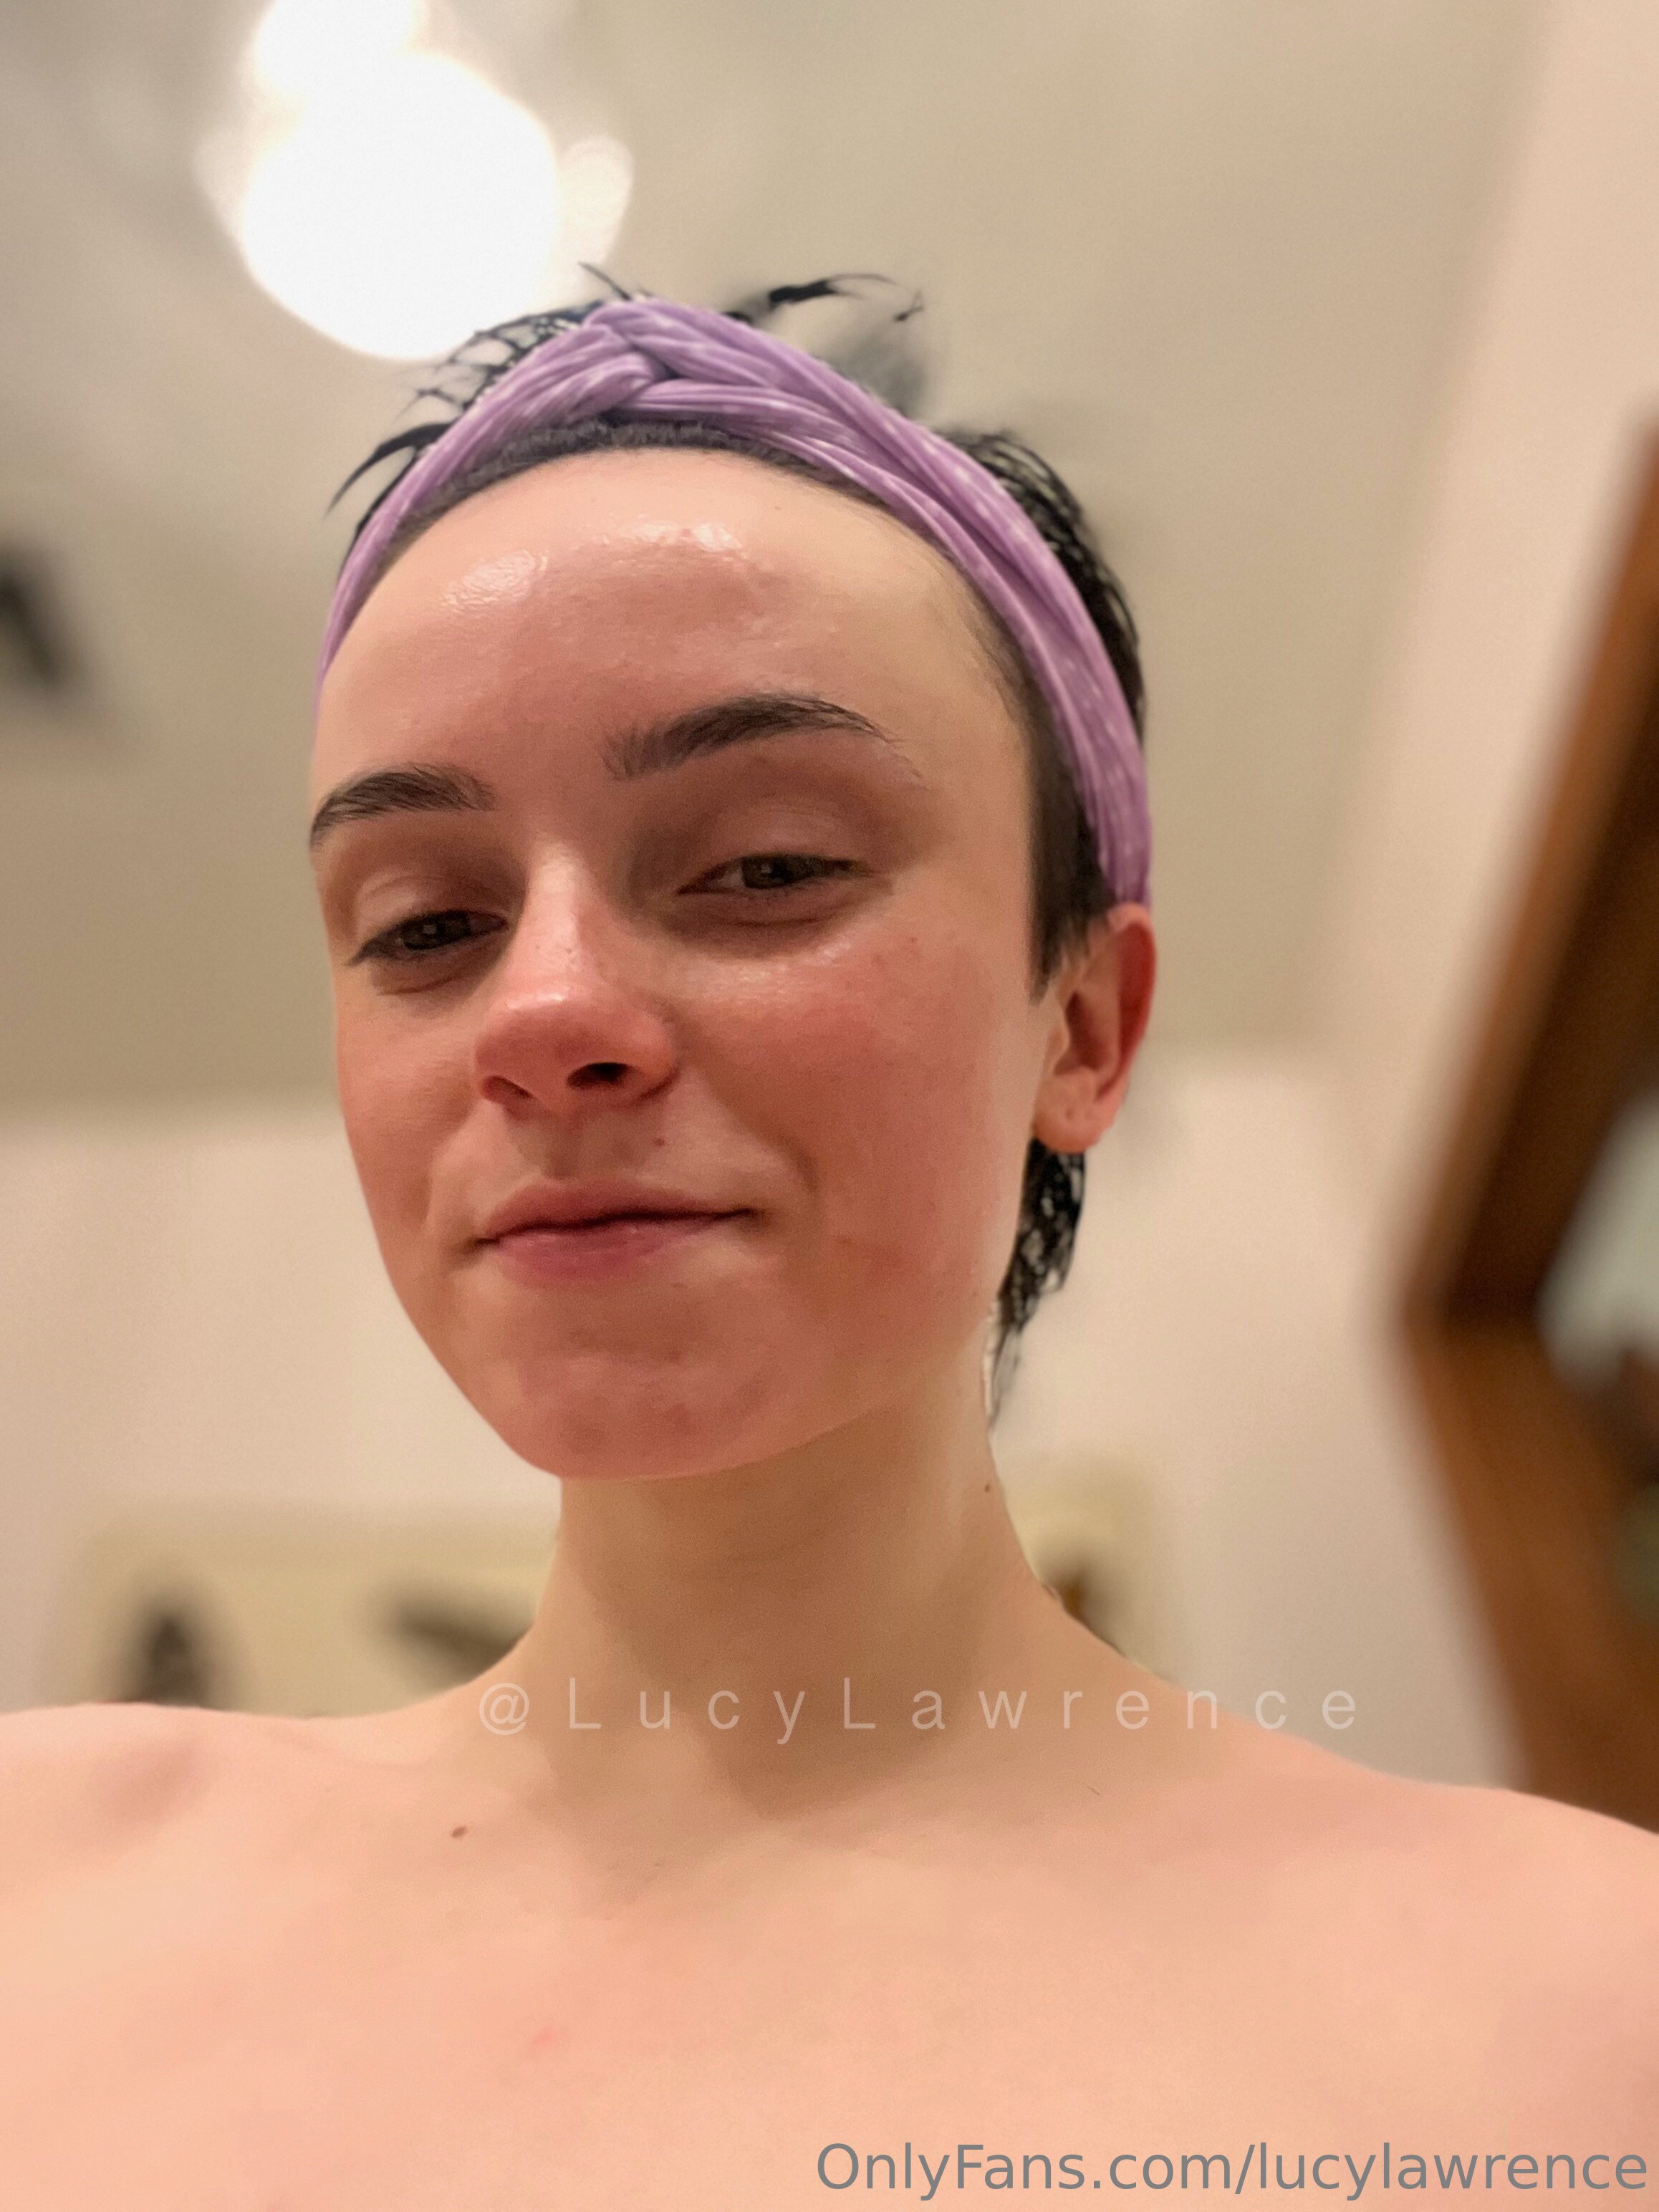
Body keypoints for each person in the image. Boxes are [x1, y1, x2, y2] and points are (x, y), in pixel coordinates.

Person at [1, 283, 1654, 2210]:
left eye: (768, 866)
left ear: (1081, 1025)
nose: (543, 1012)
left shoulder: (1580, 2011)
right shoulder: (43, 1891)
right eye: (425, 922)